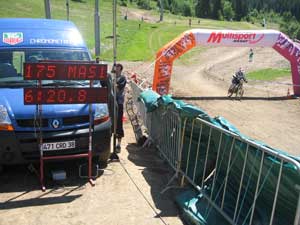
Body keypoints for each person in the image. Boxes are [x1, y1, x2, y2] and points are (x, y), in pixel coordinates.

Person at [113, 63, 127, 153]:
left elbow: (117, 89)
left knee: (118, 123)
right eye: (115, 67)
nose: (116, 68)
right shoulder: (112, 78)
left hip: (119, 103)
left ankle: (118, 144)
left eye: (118, 67)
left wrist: (114, 84)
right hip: (112, 103)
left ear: (120, 69)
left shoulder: (122, 78)